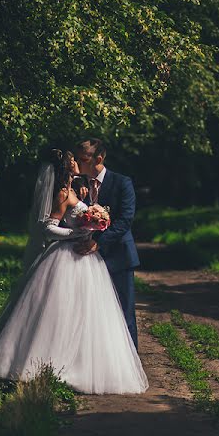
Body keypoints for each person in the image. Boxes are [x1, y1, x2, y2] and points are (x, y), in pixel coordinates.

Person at [0, 149, 148, 394]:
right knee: (59, 314)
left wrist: (90, 220)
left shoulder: (73, 188)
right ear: (66, 167)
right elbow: (48, 228)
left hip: (84, 258)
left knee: (85, 314)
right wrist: (76, 233)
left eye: (79, 158)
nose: (77, 162)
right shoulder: (62, 192)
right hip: (68, 255)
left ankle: (79, 363)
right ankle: (48, 365)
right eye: (73, 160)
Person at [73, 138, 141, 348]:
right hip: (84, 260)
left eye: (82, 158)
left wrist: (98, 243)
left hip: (118, 256)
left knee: (124, 312)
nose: (77, 162)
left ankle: (131, 369)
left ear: (98, 159)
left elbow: (124, 221)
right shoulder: (76, 185)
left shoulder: (122, 183)